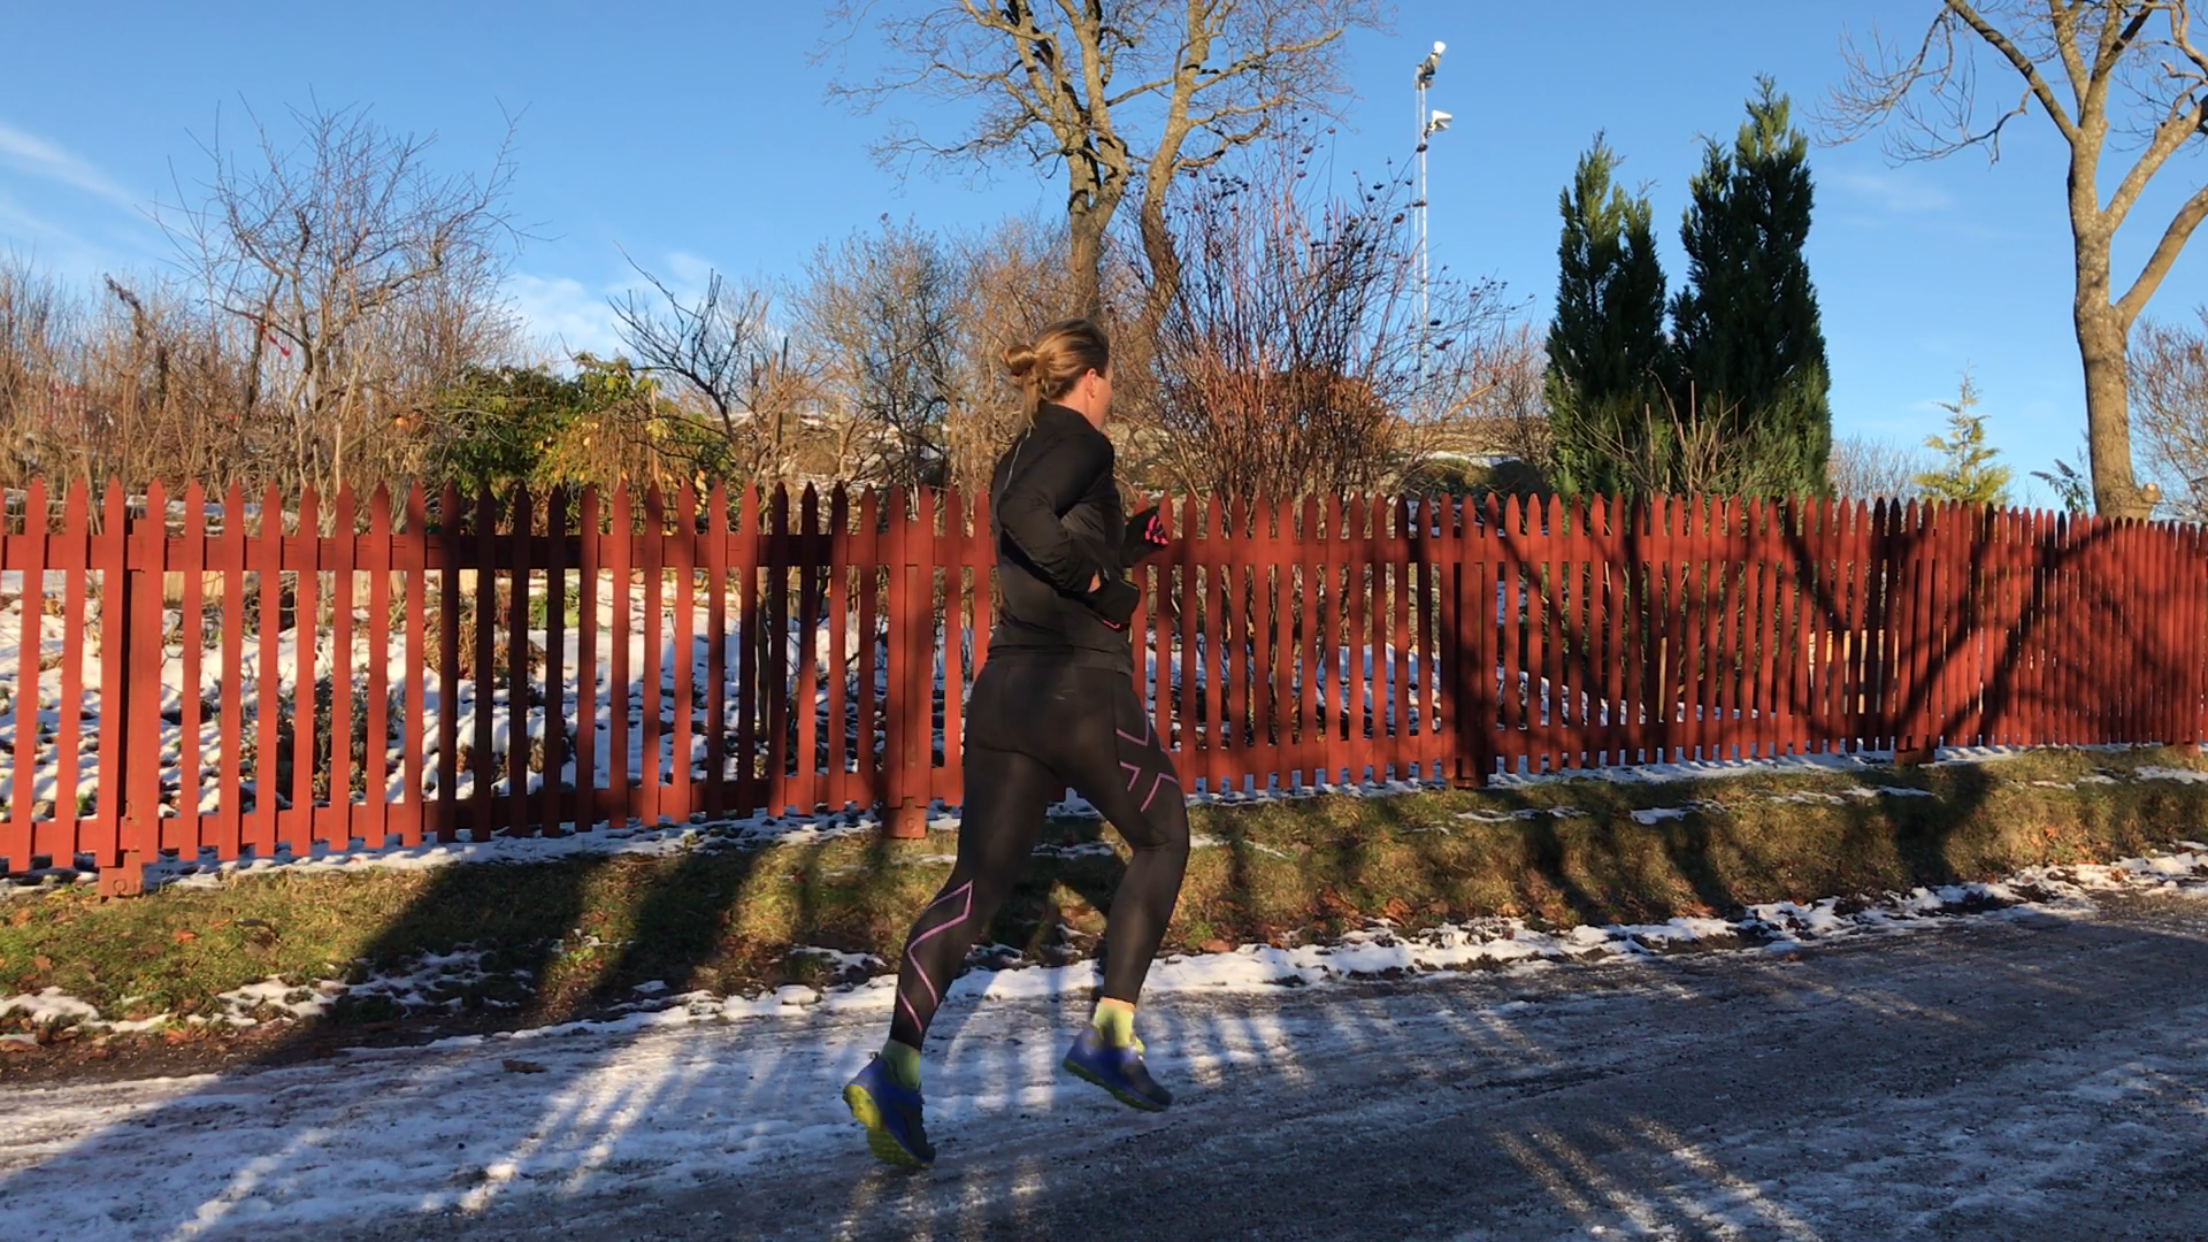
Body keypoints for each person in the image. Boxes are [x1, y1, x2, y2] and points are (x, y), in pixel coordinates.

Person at [842, 317, 1187, 1168]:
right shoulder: (1083, 444)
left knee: (975, 887)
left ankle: (895, 1070)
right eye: (1112, 380)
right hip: (1077, 690)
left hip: (1006, 695)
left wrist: (1126, 547)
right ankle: (1110, 1037)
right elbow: (1028, 519)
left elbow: (1037, 540)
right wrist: (1103, 584)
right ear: (1093, 378)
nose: (1113, 393)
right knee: (1163, 838)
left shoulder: (1020, 449)